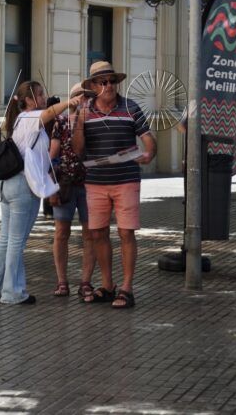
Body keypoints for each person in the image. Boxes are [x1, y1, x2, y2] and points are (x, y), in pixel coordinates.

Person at [0, 81, 82, 305]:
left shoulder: (20, 120)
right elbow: (50, 113)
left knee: (6, 239)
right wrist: (69, 102)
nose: (44, 97)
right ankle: (12, 292)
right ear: (28, 100)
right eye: (40, 94)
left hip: (10, 184)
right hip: (23, 186)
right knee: (16, 241)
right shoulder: (29, 117)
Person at [72, 61, 157, 310]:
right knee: (97, 233)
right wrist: (79, 122)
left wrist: (149, 153)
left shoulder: (131, 107)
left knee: (126, 233)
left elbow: (148, 139)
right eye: (103, 82)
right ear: (93, 86)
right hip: (96, 181)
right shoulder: (85, 111)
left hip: (126, 179)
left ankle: (127, 288)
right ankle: (108, 285)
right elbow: (78, 150)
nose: (109, 86)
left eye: (112, 81)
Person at [49, 82, 94, 298]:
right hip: (65, 183)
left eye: (89, 97)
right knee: (61, 232)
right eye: (82, 96)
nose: (86, 101)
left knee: (90, 234)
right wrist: (51, 188)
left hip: (90, 184)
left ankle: (86, 281)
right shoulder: (61, 121)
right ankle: (62, 281)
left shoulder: (95, 122)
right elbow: (52, 156)